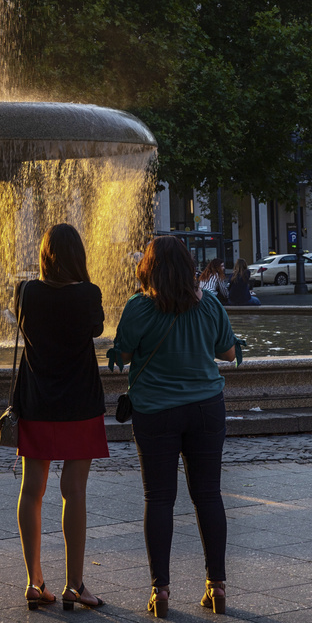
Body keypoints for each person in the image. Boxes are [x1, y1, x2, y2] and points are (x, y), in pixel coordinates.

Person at [109, 236, 238, 618]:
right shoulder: (210, 304)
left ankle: (160, 592)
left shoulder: (138, 307)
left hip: (156, 412)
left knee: (159, 499)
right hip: (205, 409)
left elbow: (125, 353)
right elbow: (228, 353)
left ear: (149, 267)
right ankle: (216, 587)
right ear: (188, 266)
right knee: (209, 495)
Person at [14, 223, 108, 611]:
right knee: (75, 491)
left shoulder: (26, 292)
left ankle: (35, 582)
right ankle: (74, 585)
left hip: (37, 402)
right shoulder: (88, 295)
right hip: (79, 404)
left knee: (31, 490)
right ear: (77, 256)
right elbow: (97, 328)